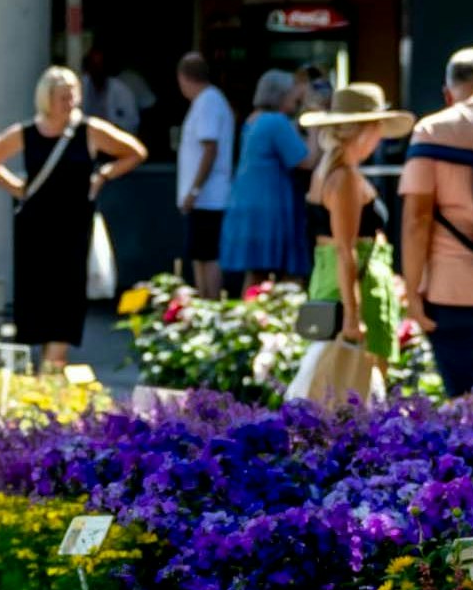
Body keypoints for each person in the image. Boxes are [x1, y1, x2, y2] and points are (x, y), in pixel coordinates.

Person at [0, 66, 145, 368]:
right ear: (46, 99)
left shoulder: (90, 129)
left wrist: (104, 173)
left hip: (74, 223)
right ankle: (36, 358)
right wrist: (15, 187)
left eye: (73, 95)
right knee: (34, 290)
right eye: (62, 97)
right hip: (35, 223)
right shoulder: (27, 133)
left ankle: (56, 360)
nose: (70, 103)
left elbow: (135, 152)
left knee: (68, 292)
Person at [400, 48, 473, 399]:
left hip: (453, 292)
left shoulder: (432, 129)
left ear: (448, 92)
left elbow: (417, 219)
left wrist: (413, 292)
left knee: (467, 409)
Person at [299, 80, 415, 392]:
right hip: (355, 289)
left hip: (338, 283)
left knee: (342, 383)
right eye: (377, 127)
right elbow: (344, 249)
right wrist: (352, 315)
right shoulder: (345, 177)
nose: (379, 136)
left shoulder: (327, 171)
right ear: (365, 130)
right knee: (361, 384)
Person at [217, 69, 313, 287]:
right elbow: (306, 161)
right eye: (293, 95)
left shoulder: (253, 120)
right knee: (280, 274)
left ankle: (250, 319)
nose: (296, 100)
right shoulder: (275, 122)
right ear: (280, 96)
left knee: (256, 275)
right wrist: (316, 127)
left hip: (248, 205)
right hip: (270, 208)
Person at [173, 52, 236, 296]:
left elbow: (210, 148)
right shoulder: (207, 100)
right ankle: (203, 302)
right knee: (199, 255)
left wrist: (195, 189)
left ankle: (210, 303)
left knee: (208, 255)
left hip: (209, 197)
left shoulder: (209, 102)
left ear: (183, 78)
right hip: (203, 197)